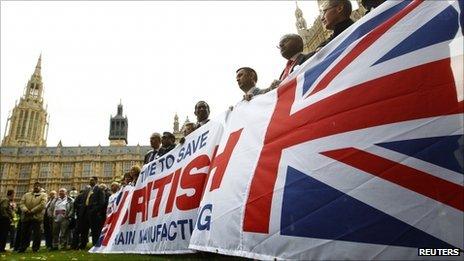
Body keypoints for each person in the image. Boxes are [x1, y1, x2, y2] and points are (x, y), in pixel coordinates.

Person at [18, 182, 47, 253]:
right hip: (26, 216)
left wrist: (32, 211)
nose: (36, 187)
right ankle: (22, 248)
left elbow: (42, 205)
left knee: (37, 233)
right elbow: (21, 203)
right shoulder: (26, 194)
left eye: (38, 186)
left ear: (40, 187)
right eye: (35, 186)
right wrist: (26, 210)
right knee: (24, 233)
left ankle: (35, 248)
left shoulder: (43, 195)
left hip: (36, 217)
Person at [80, 177, 106, 248]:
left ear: (96, 181)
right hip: (85, 212)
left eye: (92, 180)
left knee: (95, 230)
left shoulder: (99, 190)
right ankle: (83, 244)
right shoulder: (87, 190)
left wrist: (94, 211)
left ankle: (95, 244)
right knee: (84, 229)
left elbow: (102, 202)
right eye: (90, 180)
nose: (90, 181)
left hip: (93, 213)